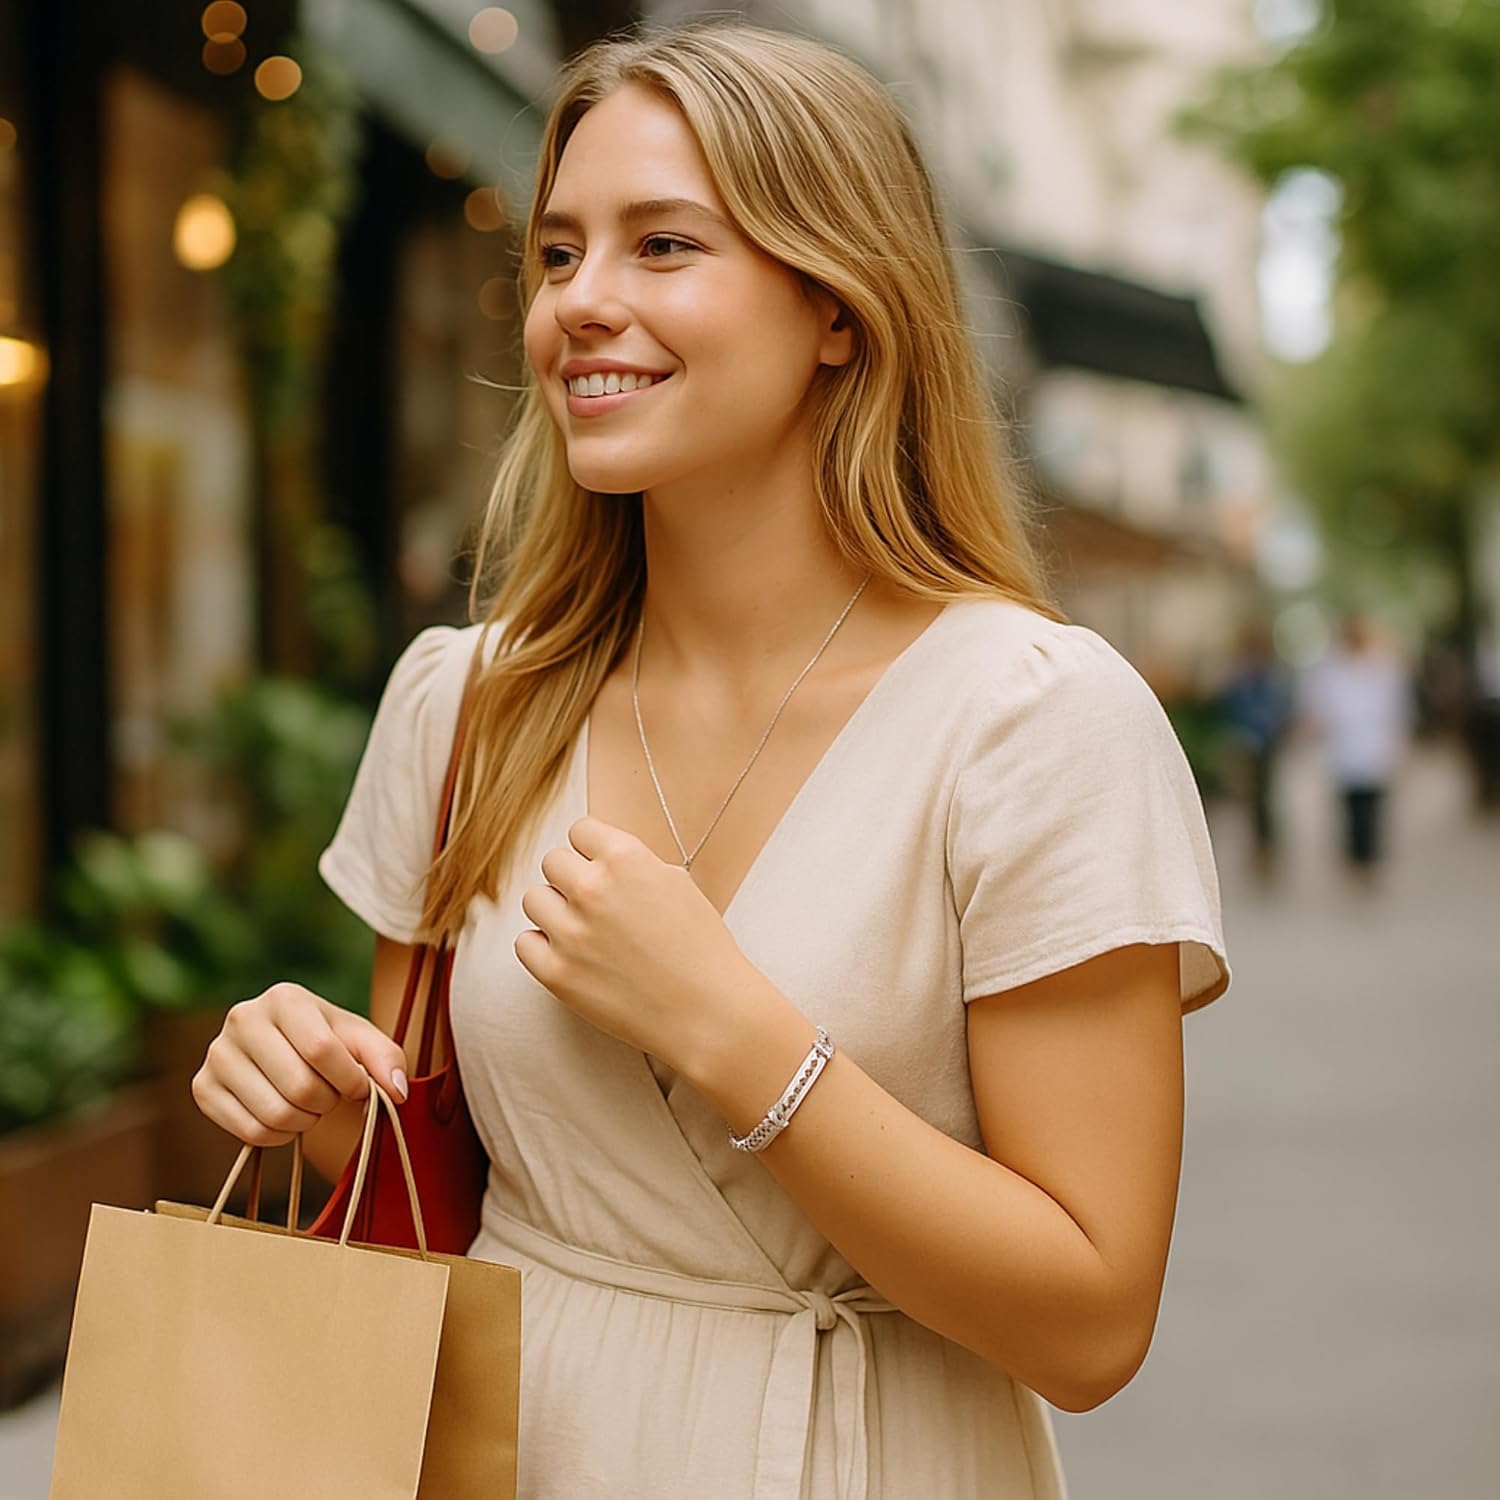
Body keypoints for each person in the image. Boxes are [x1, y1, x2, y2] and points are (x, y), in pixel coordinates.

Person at [191, 21, 1230, 1498]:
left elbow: (1092, 1320)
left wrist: (737, 1038)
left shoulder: (1035, 724)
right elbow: (421, 1196)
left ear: (842, 310)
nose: (581, 307)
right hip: (510, 1450)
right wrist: (318, 1102)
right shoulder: (466, 706)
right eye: (558, 255)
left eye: (664, 245)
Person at [1300, 610, 1413, 884]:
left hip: (1374, 749)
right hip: (1344, 752)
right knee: (1351, 809)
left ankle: (1369, 860)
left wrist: (1399, 747)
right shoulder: (1329, 670)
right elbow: (1316, 708)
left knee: (1372, 808)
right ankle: (1354, 859)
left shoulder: (1384, 668)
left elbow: (1396, 710)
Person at [1219, 617, 1296, 881]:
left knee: (1262, 800)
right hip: (1251, 742)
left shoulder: (1262, 674)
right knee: (1256, 800)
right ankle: (1261, 850)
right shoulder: (1249, 673)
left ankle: (1265, 850)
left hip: (1262, 742)